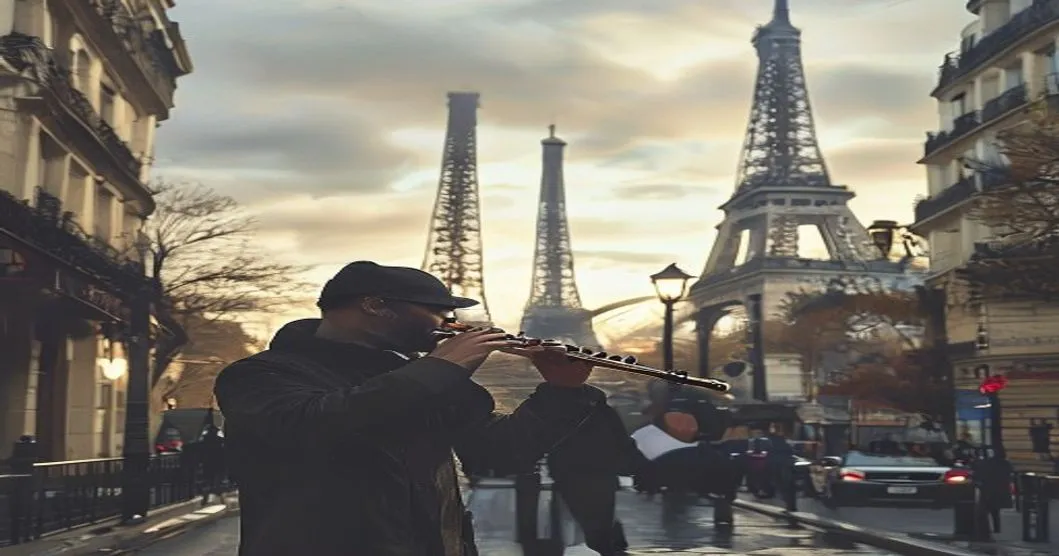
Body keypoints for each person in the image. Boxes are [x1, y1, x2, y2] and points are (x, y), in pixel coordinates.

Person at [214, 261, 605, 556]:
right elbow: (313, 427)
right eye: (436, 310)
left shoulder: (419, 378)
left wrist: (562, 391)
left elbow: (497, 455)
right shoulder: (260, 374)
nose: (450, 322)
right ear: (374, 305)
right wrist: (439, 369)